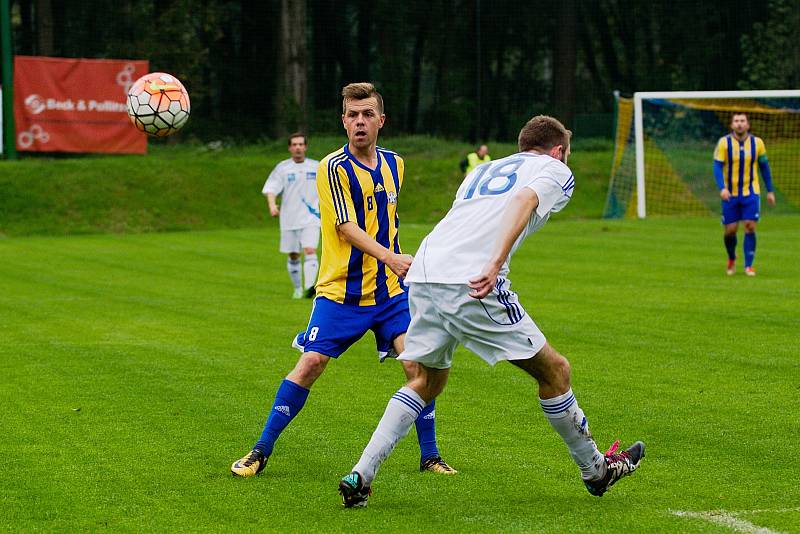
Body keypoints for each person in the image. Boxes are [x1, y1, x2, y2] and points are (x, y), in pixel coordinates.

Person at [338, 115, 645, 508]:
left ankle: (360, 475)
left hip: (426, 272)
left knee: (427, 381)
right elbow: (523, 200)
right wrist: (495, 261)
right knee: (556, 371)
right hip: (471, 279)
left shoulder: (484, 168)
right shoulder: (554, 168)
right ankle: (596, 470)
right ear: (559, 150)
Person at [232, 83, 456, 478]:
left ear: (381, 121)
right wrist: (390, 256)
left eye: (367, 114)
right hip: (341, 294)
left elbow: (385, 220)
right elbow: (345, 226)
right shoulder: (333, 168)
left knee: (417, 368)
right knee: (310, 363)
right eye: (352, 115)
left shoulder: (395, 165)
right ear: (343, 121)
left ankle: (431, 456)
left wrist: (393, 263)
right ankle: (260, 450)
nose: (359, 121)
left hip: (390, 293)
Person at [713, 112, 776, 276]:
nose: (739, 124)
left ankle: (749, 265)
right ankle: (732, 258)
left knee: (749, 225)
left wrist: (770, 191)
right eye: (736, 121)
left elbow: (764, 167)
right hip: (730, 193)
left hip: (751, 192)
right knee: (731, 230)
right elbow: (717, 167)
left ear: (748, 124)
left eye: (742, 121)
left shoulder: (758, 143)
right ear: (732, 125)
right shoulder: (724, 143)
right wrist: (722, 188)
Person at [262, 133, 321, 298]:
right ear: (289, 148)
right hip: (289, 219)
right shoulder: (282, 168)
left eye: (301, 144)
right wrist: (273, 206)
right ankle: (297, 289)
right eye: (294, 144)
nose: (298, 147)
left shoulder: (316, 167)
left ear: (306, 147)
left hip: (312, 218)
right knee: (294, 254)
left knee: (310, 250)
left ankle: (310, 288)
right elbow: (271, 189)